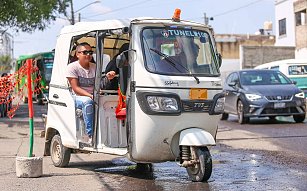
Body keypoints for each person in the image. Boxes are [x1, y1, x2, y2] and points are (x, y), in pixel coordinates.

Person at [66, 42, 116, 142]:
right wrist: (91, 95)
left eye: (90, 52)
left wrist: (108, 78)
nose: (88, 55)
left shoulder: (94, 67)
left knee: (111, 101)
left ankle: (110, 136)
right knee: (87, 102)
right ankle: (91, 135)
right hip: (76, 97)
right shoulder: (72, 67)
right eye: (85, 52)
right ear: (77, 54)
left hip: (93, 95)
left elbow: (100, 85)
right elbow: (76, 88)